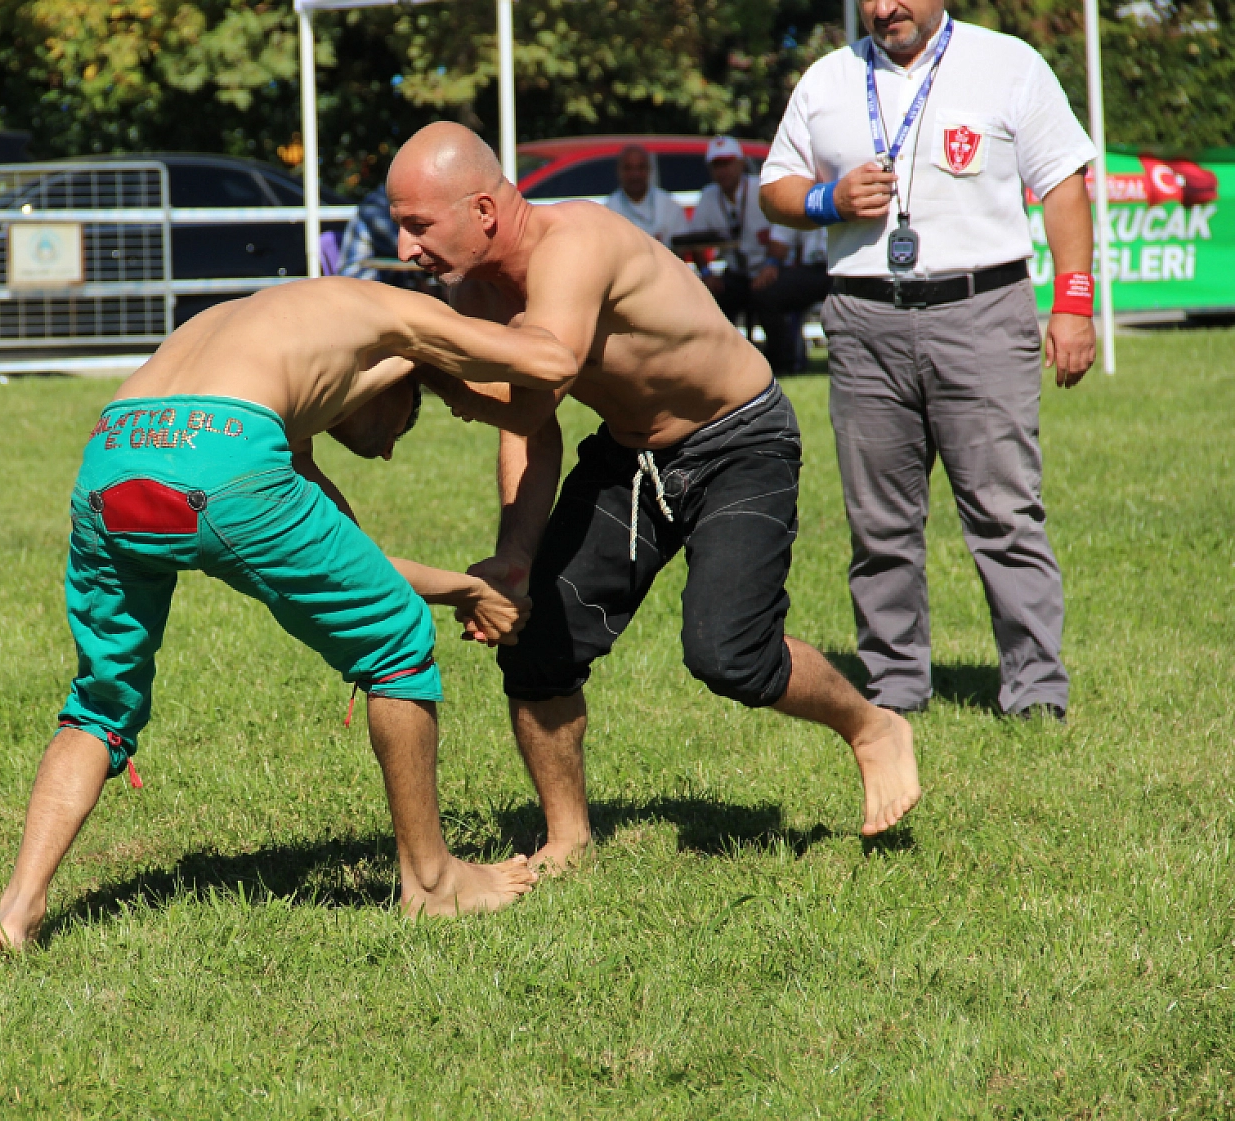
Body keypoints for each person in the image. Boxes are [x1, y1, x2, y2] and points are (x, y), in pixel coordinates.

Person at [386, 123, 922, 874]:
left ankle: (871, 726)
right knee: (537, 647)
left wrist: (433, 370)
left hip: (738, 440)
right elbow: (533, 429)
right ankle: (568, 836)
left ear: (482, 209)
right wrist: (514, 554)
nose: (407, 248)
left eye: (417, 225)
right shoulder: (471, 289)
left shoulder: (576, 245)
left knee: (728, 654)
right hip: (632, 453)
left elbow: (538, 384)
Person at [0, 276, 578, 950]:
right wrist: (540, 305)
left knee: (100, 703)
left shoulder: (259, 347)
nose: (389, 448)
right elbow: (554, 362)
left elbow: (359, 563)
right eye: (406, 418)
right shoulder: (394, 311)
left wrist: (467, 590)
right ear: (400, 374)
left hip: (111, 453)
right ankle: (433, 881)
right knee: (397, 641)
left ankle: (19, 906)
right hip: (223, 455)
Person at [758, 0, 1096, 719]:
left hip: (982, 309)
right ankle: (895, 687)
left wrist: (1072, 301)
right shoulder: (827, 79)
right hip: (863, 318)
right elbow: (774, 188)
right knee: (878, 522)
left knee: (1005, 512)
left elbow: (1064, 182)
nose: (886, 9)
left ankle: (1035, 688)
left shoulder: (1007, 63)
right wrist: (828, 198)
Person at [688, 137, 777, 325]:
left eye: (727, 164)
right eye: (717, 165)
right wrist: (706, 272)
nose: (723, 171)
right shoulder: (709, 196)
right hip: (736, 273)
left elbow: (783, 232)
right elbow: (696, 240)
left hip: (767, 267)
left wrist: (772, 263)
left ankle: (778, 354)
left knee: (770, 301)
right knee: (712, 302)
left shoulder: (760, 189)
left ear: (740, 163)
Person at [752, 224, 831, 375]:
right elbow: (782, 237)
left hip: (849, 268)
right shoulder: (802, 199)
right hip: (812, 268)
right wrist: (772, 263)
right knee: (766, 293)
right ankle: (783, 362)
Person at [336, 183, 422, 290]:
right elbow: (400, 244)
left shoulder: (389, 204)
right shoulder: (374, 208)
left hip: (380, 283)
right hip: (357, 284)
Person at [603, 144, 687, 248]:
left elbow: (681, 251)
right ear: (619, 171)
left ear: (649, 170)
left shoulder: (669, 206)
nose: (635, 174)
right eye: (628, 168)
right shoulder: (608, 211)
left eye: (640, 167)